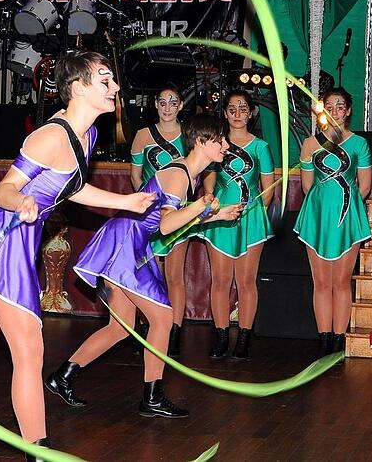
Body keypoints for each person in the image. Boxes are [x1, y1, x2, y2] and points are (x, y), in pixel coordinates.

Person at [0, 52, 155, 462]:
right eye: (104, 80)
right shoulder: (50, 137)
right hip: (4, 242)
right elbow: (2, 190)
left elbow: (69, 189)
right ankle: (39, 452)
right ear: (78, 87)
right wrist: (19, 200)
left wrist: (127, 202)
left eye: (114, 80)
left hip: (14, 244)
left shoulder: (86, 135)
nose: (115, 87)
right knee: (29, 351)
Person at [46, 114, 242, 418]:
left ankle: (63, 376)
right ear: (202, 141)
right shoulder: (179, 174)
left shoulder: (187, 176)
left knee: (119, 329)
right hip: (126, 243)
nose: (226, 146)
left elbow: (172, 225)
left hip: (129, 243)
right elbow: (165, 226)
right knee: (163, 318)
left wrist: (216, 216)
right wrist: (200, 207)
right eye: (220, 140)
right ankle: (152, 397)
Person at [294, 88, 372, 358]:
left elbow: (364, 186)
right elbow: (307, 186)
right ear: (321, 111)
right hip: (317, 218)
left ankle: (339, 339)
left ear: (348, 110)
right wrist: (323, 208)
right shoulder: (309, 144)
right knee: (321, 282)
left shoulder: (359, 143)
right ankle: (323, 338)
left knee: (341, 281)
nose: (335, 110)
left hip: (347, 217)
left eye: (341, 106)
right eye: (329, 106)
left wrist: (345, 207)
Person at [197, 90, 275, 360]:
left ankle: (243, 338)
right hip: (219, 218)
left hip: (250, 220)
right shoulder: (214, 143)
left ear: (252, 112)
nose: (238, 114)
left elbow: (268, 191)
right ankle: (220, 336)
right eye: (232, 108)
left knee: (246, 281)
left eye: (243, 108)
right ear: (225, 112)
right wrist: (212, 204)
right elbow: (208, 180)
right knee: (219, 280)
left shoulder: (261, 147)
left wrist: (253, 215)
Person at [128, 83, 190, 357]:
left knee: (175, 276)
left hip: (179, 212)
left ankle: (174, 332)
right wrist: (144, 200)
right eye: (162, 102)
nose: (167, 108)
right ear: (155, 104)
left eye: (173, 102)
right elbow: (135, 175)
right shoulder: (143, 135)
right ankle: (144, 328)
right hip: (150, 212)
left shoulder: (189, 135)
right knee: (147, 275)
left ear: (181, 105)